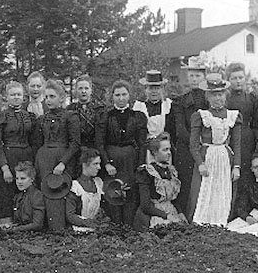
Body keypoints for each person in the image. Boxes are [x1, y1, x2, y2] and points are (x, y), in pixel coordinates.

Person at [0, 81, 39, 228]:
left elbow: (34, 140)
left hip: (26, 157)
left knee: (26, 189)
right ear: (6, 97)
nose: (16, 97)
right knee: (6, 191)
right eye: (13, 94)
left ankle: (24, 222)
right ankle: (5, 224)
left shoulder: (29, 116)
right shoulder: (1, 116)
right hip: (8, 158)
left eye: (19, 94)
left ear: (23, 96)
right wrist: (4, 167)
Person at [189, 73, 242, 225]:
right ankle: (201, 221)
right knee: (204, 190)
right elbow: (193, 144)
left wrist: (236, 166)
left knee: (222, 190)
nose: (217, 98)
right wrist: (200, 163)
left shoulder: (233, 116)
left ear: (225, 95)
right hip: (207, 156)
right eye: (213, 95)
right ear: (208, 97)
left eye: (220, 94)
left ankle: (220, 221)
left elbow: (237, 144)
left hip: (224, 157)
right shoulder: (201, 115)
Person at [95, 80, 147, 225]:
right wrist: (106, 163)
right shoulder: (106, 116)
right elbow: (100, 143)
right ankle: (115, 227)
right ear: (112, 96)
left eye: (124, 94)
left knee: (130, 192)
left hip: (130, 161)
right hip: (112, 160)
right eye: (117, 95)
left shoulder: (137, 116)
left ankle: (129, 227)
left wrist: (140, 164)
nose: (121, 98)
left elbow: (142, 143)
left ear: (129, 95)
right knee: (113, 192)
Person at [172, 56, 209, 216]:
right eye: (191, 75)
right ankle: (186, 217)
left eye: (198, 75)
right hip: (187, 148)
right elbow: (180, 129)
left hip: (206, 148)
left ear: (204, 77)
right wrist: (195, 144)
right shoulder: (180, 101)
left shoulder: (210, 99)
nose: (194, 79)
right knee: (186, 183)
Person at [132, 133, 186, 232]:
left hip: (171, 212)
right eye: (165, 150)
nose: (169, 153)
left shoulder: (171, 171)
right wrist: (166, 216)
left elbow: (173, 199)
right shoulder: (147, 172)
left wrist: (180, 213)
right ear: (155, 152)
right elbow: (145, 206)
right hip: (154, 214)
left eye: (169, 149)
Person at [34, 79, 81, 183]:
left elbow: (75, 144)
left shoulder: (70, 117)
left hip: (64, 161)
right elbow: (37, 142)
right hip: (44, 160)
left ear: (62, 98)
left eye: (52, 96)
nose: (48, 100)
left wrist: (63, 163)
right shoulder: (42, 119)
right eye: (46, 97)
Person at [225, 62, 258, 175]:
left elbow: (256, 124)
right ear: (229, 80)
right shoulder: (225, 99)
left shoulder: (251, 98)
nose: (238, 81)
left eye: (241, 77)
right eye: (234, 78)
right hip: (229, 136)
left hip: (247, 137)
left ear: (245, 78)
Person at [133, 69, 176, 145]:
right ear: (146, 89)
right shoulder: (139, 106)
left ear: (162, 89)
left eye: (157, 88)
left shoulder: (168, 105)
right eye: (151, 88)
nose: (154, 91)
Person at [67, 75, 105, 151]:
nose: (83, 91)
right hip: (76, 150)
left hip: (95, 150)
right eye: (80, 88)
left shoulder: (100, 109)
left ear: (91, 90)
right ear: (76, 90)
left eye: (86, 88)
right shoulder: (70, 109)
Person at [6, 161, 46, 232]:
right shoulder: (18, 196)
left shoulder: (36, 195)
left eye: (23, 178)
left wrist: (15, 229)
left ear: (32, 179)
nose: (19, 182)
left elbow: (37, 225)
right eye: (17, 178)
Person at [71, 147, 105, 221]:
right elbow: (70, 216)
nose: (99, 167)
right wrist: (90, 224)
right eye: (95, 164)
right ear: (84, 164)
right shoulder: (75, 187)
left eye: (99, 164)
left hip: (96, 226)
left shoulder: (98, 183)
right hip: (79, 227)